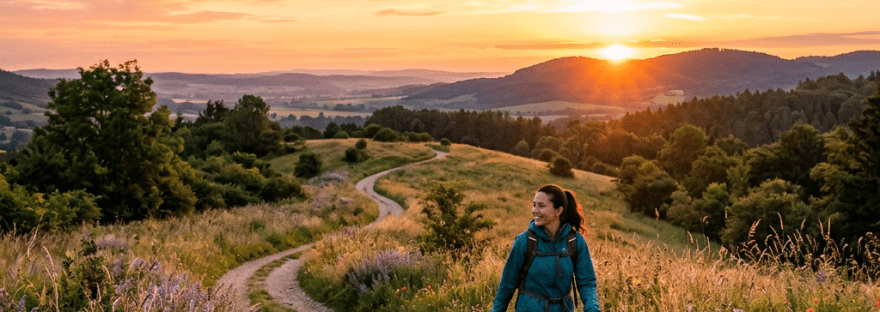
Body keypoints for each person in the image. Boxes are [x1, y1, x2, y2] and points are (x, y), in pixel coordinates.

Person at [491, 184, 600, 312]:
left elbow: (587, 282)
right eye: (534, 205)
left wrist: (593, 309)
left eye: (541, 206)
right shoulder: (525, 241)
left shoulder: (574, 241)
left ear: (558, 211)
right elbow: (507, 284)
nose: (535, 210)